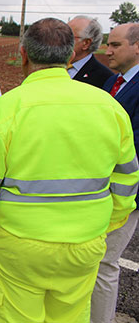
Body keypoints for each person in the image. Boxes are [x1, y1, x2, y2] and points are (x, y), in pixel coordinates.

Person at [0, 18, 138, 323]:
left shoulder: (9, 107)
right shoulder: (109, 107)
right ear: (70, 57)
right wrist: (106, 224)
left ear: (23, 54)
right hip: (84, 243)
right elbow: (126, 179)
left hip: (17, 244)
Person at [91, 23, 139, 323]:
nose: (107, 50)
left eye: (116, 45)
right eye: (108, 44)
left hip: (126, 192)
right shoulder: (115, 83)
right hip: (105, 187)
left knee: (104, 263)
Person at [67, 16, 114, 88]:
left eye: (67, 36)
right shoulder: (50, 66)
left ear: (86, 43)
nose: (60, 40)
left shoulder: (104, 78)